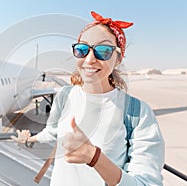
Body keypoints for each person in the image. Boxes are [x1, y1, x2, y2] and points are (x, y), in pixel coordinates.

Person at [11, 11, 165, 186]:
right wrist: (30, 138)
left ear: (118, 59)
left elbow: (147, 184)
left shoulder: (137, 112)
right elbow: (53, 132)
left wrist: (95, 158)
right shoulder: (64, 95)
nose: (90, 59)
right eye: (82, 49)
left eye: (104, 51)